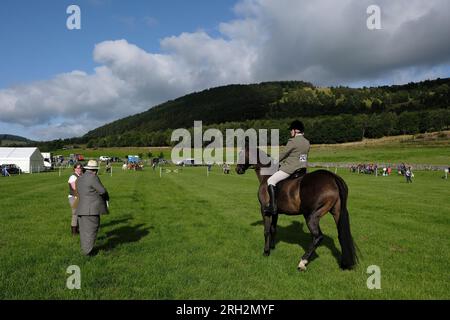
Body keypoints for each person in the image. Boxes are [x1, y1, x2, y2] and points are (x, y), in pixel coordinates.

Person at [266, 120, 310, 215]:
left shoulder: (292, 141)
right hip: (303, 169)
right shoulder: (307, 142)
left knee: (271, 180)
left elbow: (284, 154)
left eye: (291, 130)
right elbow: (302, 156)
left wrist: (274, 161)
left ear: (295, 131)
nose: (290, 132)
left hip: (290, 169)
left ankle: (272, 206)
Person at [76, 160, 109, 256]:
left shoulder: (80, 178)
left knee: (83, 231)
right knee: (91, 230)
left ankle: (85, 249)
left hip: (81, 207)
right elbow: (102, 191)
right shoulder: (93, 177)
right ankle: (88, 252)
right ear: (95, 170)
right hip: (91, 209)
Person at [68, 163, 83, 236]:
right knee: (75, 214)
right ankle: (74, 232)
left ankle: (79, 229)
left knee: (81, 214)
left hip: (81, 197)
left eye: (80, 168)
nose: (79, 169)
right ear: (74, 169)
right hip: (74, 198)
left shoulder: (81, 176)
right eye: (77, 168)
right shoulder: (73, 177)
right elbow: (75, 188)